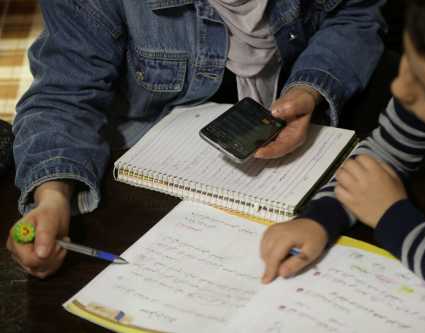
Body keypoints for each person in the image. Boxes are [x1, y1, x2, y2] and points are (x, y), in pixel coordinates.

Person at [6, 0, 385, 278]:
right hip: (146, 183)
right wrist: (53, 196)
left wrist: (310, 90)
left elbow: (356, 16)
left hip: (295, 170)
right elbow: (65, 93)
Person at [260, 0, 425, 316]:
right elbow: (383, 154)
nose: (400, 89)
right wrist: (321, 217)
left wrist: (390, 214)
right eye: (409, 60)